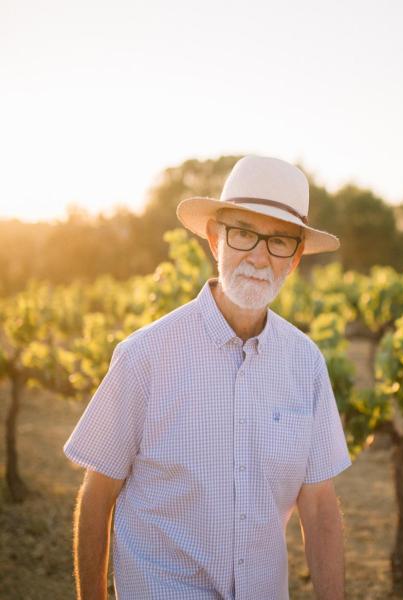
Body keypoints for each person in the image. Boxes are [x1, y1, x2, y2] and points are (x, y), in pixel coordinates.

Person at [63, 155, 352, 600]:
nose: (258, 256)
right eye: (243, 233)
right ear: (215, 240)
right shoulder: (144, 358)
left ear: (294, 260)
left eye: (278, 242)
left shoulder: (306, 364)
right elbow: (97, 496)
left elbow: (319, 507)